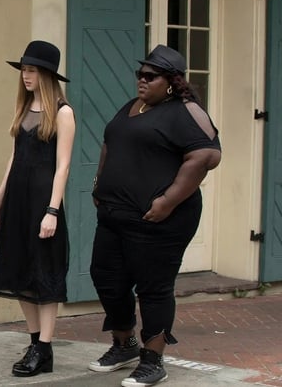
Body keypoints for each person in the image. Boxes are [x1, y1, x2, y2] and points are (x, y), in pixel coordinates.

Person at [88, 44, 221, 387]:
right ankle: (124, 345)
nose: (142, 80)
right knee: (106, 278)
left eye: (151, 76)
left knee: (153, 287)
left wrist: (168, 201)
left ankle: (153, 360)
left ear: (173, 82)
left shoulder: (185, 111)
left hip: (159, 220)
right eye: (140, 74)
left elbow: (207, 156)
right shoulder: (132, 106)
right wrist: (99, 183)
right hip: (114, 215)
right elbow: (110, 143)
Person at [0, 40, 76, 378]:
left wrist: (52, 211)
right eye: (24, 69)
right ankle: (35, 342)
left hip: (43, 202)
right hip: (17, 202)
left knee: (45, 274)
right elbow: (15, 158)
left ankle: (45, 348)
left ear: (47, 74)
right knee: (20, 272)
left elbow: (63, 166)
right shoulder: (23, 109)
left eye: (32, 70)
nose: (26, 75)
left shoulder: (63, 112)